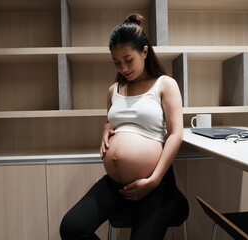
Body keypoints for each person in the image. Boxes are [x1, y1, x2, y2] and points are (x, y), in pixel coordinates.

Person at [60, 13, 189, 240]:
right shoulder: (114, 90)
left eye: (128, 60)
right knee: (71, 229)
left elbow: (176, 134)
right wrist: (105, 130)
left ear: (145, 52)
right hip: (116, 184)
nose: (123, 68)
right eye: (117, 62)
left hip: (155, 183)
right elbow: (112, 119)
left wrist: (154, 180)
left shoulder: (165, 85)